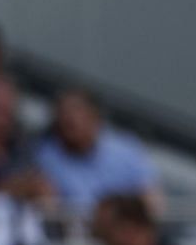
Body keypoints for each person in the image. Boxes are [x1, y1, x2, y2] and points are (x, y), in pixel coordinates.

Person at [33, 88, 162, 213]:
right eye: (63, 113)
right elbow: (48, 209)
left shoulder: (126, 150)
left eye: (77, 111)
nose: (69, 118)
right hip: (74, 231)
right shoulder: (45, 156)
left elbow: (152, 200)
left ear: (95, 117)